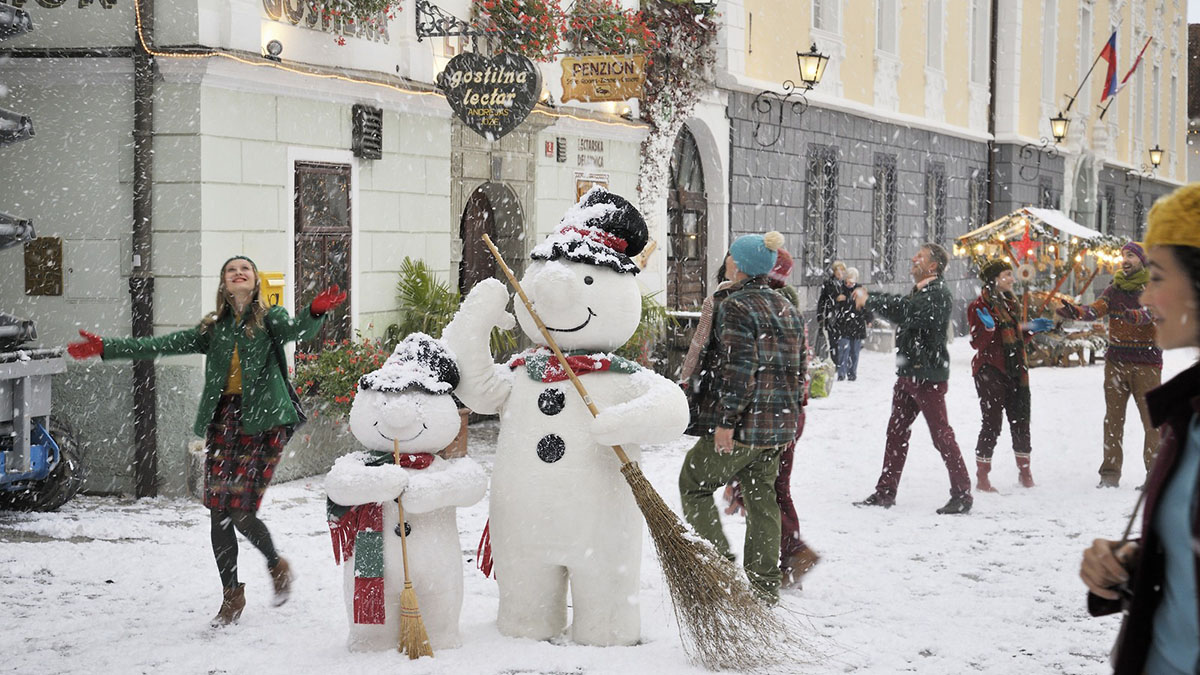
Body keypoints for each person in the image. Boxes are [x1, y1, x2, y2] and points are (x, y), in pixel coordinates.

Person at [67, 255, 346, 627]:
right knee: (219, 511)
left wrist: (314, 311)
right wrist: (107, 348)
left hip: (263, 423)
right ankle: (231, 595)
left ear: (255, 280)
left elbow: (299, 331)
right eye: (232, 270)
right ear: (224, 283)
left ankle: (275, 563)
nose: (238, 273)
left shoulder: (270, 319)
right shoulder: (213, 328)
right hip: (225, 421)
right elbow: (162, 343)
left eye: (245, 269)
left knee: (241, 512)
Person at [1080, 183, 1200, 674]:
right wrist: (1136, 558)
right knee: (1115, 424)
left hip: (1143, 364)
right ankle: (1111, 468)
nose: (1148, 291)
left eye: (1157, 274)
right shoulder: (1189, 413)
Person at [678, 231, 806, 603]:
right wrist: (786, 420)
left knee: (694, 483)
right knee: (762, 498)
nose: (728, 261)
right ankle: (765, 587)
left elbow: (739, 370)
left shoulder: (735, 306)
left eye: (732, 257)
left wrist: (725, 424)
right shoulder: (786, 305)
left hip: (745, 426)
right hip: (778, 425)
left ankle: (718, 565)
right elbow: (798, 370)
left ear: (741, 265)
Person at [720, 248, 821, 589]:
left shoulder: (769, 306)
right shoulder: (780, 303)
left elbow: (756, 366)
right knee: (769, 486)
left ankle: (792, 553)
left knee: (771, 488)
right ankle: (786, 555)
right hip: (783, 411)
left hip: (771, 412)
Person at [853, 243, 973, 515]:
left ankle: (962, 493)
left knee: (941, 434)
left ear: (933, 266)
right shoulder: (922, 291)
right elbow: (903, 307)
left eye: (920, 257)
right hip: (909, 374)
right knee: (896, 433)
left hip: (927, 376)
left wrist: (869, 299)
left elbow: (905, 312)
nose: (913, 259)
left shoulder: (937, 293)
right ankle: (885, 492)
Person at [1058, 241, 1162, 488]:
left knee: (1152, 422)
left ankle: (1156, 476)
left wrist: (1134, 316)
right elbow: (1096, 310)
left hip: (1146, 364)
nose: (1124, 260)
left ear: (1142, 261)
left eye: (1131, 256)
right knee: (1113, 421)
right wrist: (1076, 312)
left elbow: (1150, 313)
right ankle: (1109, 474)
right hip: (1116, 362)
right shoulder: (1114, 288)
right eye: (1123, 255)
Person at [966, 260, 1053, 492]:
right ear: (994, 279)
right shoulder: (979, 306)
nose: (1012, 279)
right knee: (992, 424)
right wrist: (987, 329)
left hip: (1016, 371)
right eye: (1007, 275)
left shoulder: (1009, 303)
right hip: (990, 372)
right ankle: (983, 478)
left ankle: (1025, 473)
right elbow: (978, 344)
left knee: (1021, 421)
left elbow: (1015, 339)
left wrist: (1031, 329)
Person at [834, 266, 869, 381]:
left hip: (857, 324)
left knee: (854, 351)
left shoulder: (860, 290)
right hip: (844, 323)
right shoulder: (839, 289)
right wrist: (838, 301)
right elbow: (835, 305)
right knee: (843, 350)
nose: (849, 284)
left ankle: (852, 373)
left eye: (852, 281)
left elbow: (866, 306)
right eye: (848, 281)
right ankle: (841, 373)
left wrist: (868, 319)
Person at [817, 261, 847, 362]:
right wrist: (820, 315)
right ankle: (835, 362)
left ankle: (841, 363)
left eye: (842, 271)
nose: (841, 273)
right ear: (834, 271)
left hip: (844, 317)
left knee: (842, 342)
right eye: (839, 270)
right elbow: (823, 300)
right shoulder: (828, 283)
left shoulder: (845, 284)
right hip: (832, 317)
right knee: (833, 342)